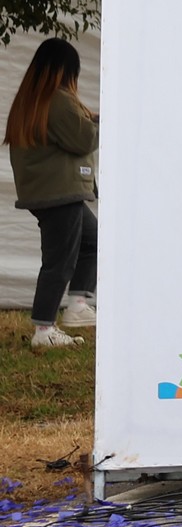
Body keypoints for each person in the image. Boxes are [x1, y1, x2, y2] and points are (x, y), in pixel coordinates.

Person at [7, 39, 95, 348]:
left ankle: (78, 305)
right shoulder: (59, 100)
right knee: (59, 261)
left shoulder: (33, 100)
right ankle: (44, 331)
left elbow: (72, 129)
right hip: (62, 192)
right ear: (65, 70)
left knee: (93, 239)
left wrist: (91, 119)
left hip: (46, 192)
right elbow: (83, 140)